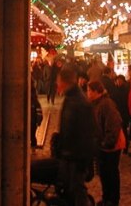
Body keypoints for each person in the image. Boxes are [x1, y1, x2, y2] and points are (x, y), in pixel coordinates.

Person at [52, 68, 97, 205]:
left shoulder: (78, 102)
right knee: (72, 192)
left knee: (77, 191)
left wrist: (83, 160)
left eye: (58, 81)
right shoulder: (71, 98)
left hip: (75, 159)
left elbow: (86, 134)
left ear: (64, 82)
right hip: (69, 157)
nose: (56, 84)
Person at [87, 81, 124, 206]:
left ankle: (112, 200)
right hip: (102, 144)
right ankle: (106, 197)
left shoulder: (106, 104)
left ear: (97, 91)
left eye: (89, 91)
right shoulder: (95, 104)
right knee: (103, 173)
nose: (88, 93)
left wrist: (107, 142)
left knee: (111, 173)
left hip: (111, 145)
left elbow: (114, 122)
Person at [111, 74, 131, 155]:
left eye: (120, 80)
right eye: (117, 80)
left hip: (124, 112)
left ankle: (125, 146)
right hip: (116, 112)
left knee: (124, 130)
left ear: (123, 81)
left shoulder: (126, 90)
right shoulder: (115, 89)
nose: (119, 82)